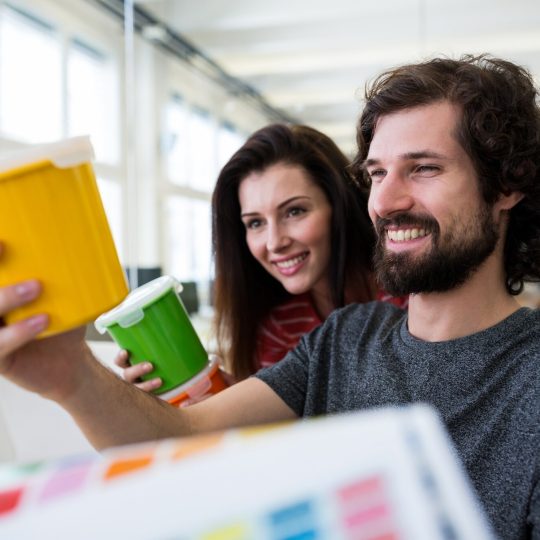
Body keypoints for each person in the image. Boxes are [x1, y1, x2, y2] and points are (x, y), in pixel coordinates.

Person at [0, 54, 538, 539]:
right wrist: (69, 375)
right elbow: (182, 439)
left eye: (423, 168)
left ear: (507, 186)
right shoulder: (346, 336)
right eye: (376, 174)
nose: (387, 201)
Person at [118, 124, 405, 390]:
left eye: (295, 211)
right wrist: (227, 396)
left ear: (339, 206)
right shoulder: (278, 327)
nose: (274, 242)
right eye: (255, 223)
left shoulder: (410, 293)